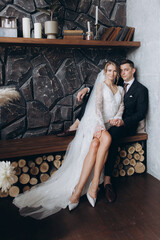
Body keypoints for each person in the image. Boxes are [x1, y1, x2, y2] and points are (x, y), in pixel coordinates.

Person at [13, 60, 124, 219]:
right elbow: (97, 108)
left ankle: (78, 190)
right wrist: (99, 126)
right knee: (106, 139)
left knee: (95, 146)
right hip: (94, 121)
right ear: (105, 72)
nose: (112, 74)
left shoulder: (120, 89)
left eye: (115, 71)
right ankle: (93, 187)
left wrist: (118, 119)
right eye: (109, 70)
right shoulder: (100, 86)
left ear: (117, 74)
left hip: (107, 124)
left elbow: (121, 108)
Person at [75, 59, 148, 203]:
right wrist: (87, 89)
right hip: (110, 123)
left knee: (110, 137)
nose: (122, 73)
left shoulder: (141, 89)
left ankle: (107, 181)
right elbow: (102, 87)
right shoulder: (119, 84)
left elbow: (141, 113)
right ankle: (89, 185)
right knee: (96, 143)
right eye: (120, 70)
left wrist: (123, 121)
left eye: (126, 70)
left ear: (133, 71)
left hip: (127, 125)